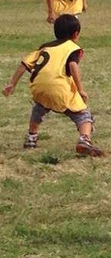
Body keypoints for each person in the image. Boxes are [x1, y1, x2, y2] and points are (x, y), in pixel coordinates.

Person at [2, 14, 103, 157]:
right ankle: (84, 139)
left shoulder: (45, 47)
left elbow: (24, 63)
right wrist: (80, 89)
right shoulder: (73, 48)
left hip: (38, 87)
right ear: (76, 34)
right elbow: (73, 65)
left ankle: (31, 137)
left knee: (40, 107)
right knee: (83, 115)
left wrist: (12, 83)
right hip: (59, 88)